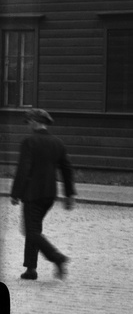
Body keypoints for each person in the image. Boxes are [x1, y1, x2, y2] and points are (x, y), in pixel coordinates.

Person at [10, 108, 75, 281]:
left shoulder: (29, 142)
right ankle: (30, 270)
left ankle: (57, 258)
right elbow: (67, 170)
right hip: (49, 195)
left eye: (29, 121)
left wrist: (15, 193)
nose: (28, 125)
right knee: (34, 230)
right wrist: (69, 194)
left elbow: (23, 169)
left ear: (37, 122)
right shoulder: (57, 143)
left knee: (31, 232)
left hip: (32, 194)